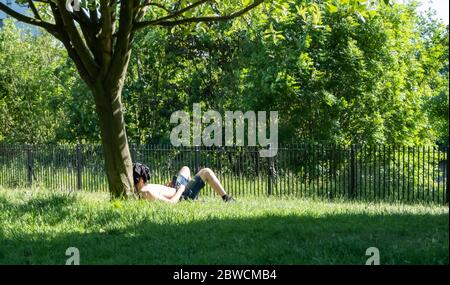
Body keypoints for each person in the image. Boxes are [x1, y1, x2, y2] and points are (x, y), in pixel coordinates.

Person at [133, 162, 235, 203]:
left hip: (176, 187)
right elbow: (171, 203)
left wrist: (166, 187)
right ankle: (226, 198)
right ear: (141, 178)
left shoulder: (144, 188)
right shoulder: (146, 192)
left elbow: (161, 192)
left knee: (185, 169)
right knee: (206, 171)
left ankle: (195, 197)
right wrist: (181, 189)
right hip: (182, 194)